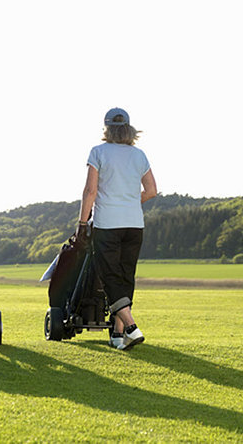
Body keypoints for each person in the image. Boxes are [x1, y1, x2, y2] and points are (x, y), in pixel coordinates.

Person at [78, 108, 157, 350]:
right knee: (125, 277)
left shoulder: (98, 152)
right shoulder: (139, 155)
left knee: (110, 277)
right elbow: (152, 190)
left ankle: (131, 327)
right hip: (134, 225)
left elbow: (90, 191)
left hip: (108, 225)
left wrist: (82, 223)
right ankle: (118, 336)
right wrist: (131, 201)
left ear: (107, 128)